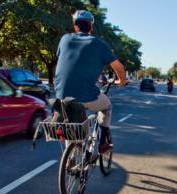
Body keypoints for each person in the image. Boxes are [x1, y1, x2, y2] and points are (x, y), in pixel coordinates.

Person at [54, 10, 128, 154]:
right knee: (107, 107)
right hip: (85, 95)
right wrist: (122, 81)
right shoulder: (98, 44)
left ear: (75, 26)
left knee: (71, 122)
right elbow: (119, 67)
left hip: (61, 95)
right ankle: (102, 144)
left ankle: (70, 158)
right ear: (91, 27)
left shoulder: (64, 39)